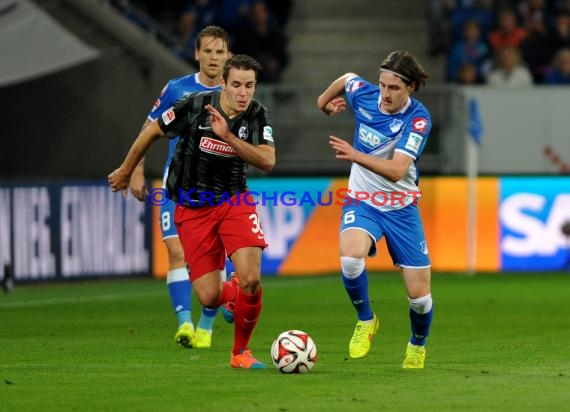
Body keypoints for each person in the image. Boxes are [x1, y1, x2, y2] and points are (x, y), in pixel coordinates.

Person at [109, 54, 275, 369]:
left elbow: (267, 161)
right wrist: (126, 169)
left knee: (252, 278)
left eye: (249, 86)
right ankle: (231, 292)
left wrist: (228, 137)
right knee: (210, 297)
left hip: (233, 201)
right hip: (192, 208)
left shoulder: (256, 115)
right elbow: (151, 132)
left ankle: (240, 353)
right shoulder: (193, 105)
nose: (243, 92)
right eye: (236, 84)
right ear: (223, 83)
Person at [317, 50, 433, 369]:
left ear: (410, 87)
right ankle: (366, 320)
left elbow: (397, 171)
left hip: (401, 208)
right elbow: (347, 78)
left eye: (394, 88)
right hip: (363, 199)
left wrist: (355, 155)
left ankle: (416, 345)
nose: (385, 94)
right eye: (382, 85)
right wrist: (324, 103)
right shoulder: (366, 95)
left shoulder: (418, 119)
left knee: (420, 300)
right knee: (350, 257)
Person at [129, 25, 231, 350]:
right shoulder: (177, 89)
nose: (214, 58)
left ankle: (207, 324)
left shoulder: (235, 92)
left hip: (218, 188)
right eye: (209, 51)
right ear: (197, 54)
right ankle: (185, 323)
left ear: (228, 56)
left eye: (220, 52)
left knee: (213, 259)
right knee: (176, 251)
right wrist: (136, 169)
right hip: (178, 186)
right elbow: (149, 127)